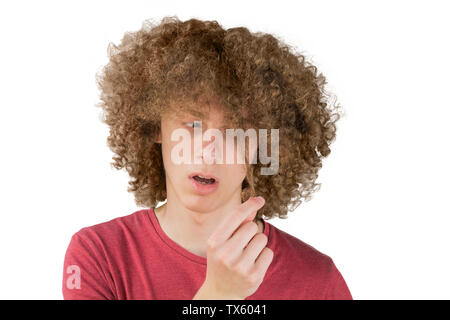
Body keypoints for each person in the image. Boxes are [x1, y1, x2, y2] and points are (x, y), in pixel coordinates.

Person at [62, 16, 352, 300]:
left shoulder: (317, 281)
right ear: (154, 127)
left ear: (263, 146)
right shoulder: (99, 255)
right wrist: (218, 295)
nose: (208, 150)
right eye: (192, 124)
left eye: (234, 132)